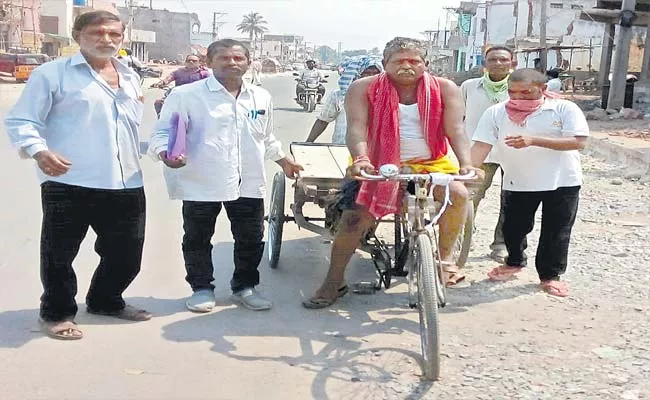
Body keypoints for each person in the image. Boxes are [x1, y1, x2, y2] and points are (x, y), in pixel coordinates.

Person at [303, 37, 481, 308]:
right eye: (399, 61)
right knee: (353, 219)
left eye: (414, 61)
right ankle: (333, 282)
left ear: (426, 64)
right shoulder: (362, 88)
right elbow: (356, 128)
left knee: (457, 193)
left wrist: (467, 164)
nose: (407, 66)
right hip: (377, 162)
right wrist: (361, 159)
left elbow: (456, 129)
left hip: (431, 162)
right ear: (385, 64)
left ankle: (444, 262)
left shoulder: (445, 89)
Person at [4, 10, 150, 340]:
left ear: (123, 38)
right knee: (59, 254)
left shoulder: (129, 75)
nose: (106, 39)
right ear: (77, 36)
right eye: (97, 33)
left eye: (114, 34)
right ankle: (56, 312)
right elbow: (21, 120)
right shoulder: (52, 74)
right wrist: (40, 151)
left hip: (125, 179)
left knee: (127, 253)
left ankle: (106, 300)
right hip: (69, 180)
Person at [148, 39, 303, 312]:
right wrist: (165, 154)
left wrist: (283, 160)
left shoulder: (260, 96)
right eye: (224, 58)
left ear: (248, 62)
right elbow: (162, 134)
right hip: (201, 180)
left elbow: (265, 137)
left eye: (238, 58)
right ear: (209, 62)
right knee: (197, 237)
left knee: (251, 237)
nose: (232, 63)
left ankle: (244, 287)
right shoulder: (186, 95)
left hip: (248, 180)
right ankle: (201, 289)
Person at [471, 69, 588, 298]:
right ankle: (514, 261)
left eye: (526, 93)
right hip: (518, 179)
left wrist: (534, 140)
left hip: (562, 180)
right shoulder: (496, 113)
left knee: (556, 231)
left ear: (543, 89)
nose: (518, 99)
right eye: (513, 93)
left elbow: (578, 142)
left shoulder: (564, 108)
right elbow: (481, 145)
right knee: (513, 228)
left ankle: (550, 276)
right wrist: (468, 169)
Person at [460, 46, 516, 263]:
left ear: (512, 62)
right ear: (484, 63)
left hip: (513, 153)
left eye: (503, 59)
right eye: (493, 59)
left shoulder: (520, 87)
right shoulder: (469, 87)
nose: (498, 63)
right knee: (468, 197)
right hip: (477, 152)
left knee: (510, 201)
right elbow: (458, 118)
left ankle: (501, 244)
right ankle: (462, 238)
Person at [305, 56, 383, 144]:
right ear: (358, 75)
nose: (372, 77)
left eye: (376, 73)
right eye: (367, 73)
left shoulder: (385, 97)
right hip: (341, 149)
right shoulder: (339, 96)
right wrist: (308, 142)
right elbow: (323, 121)